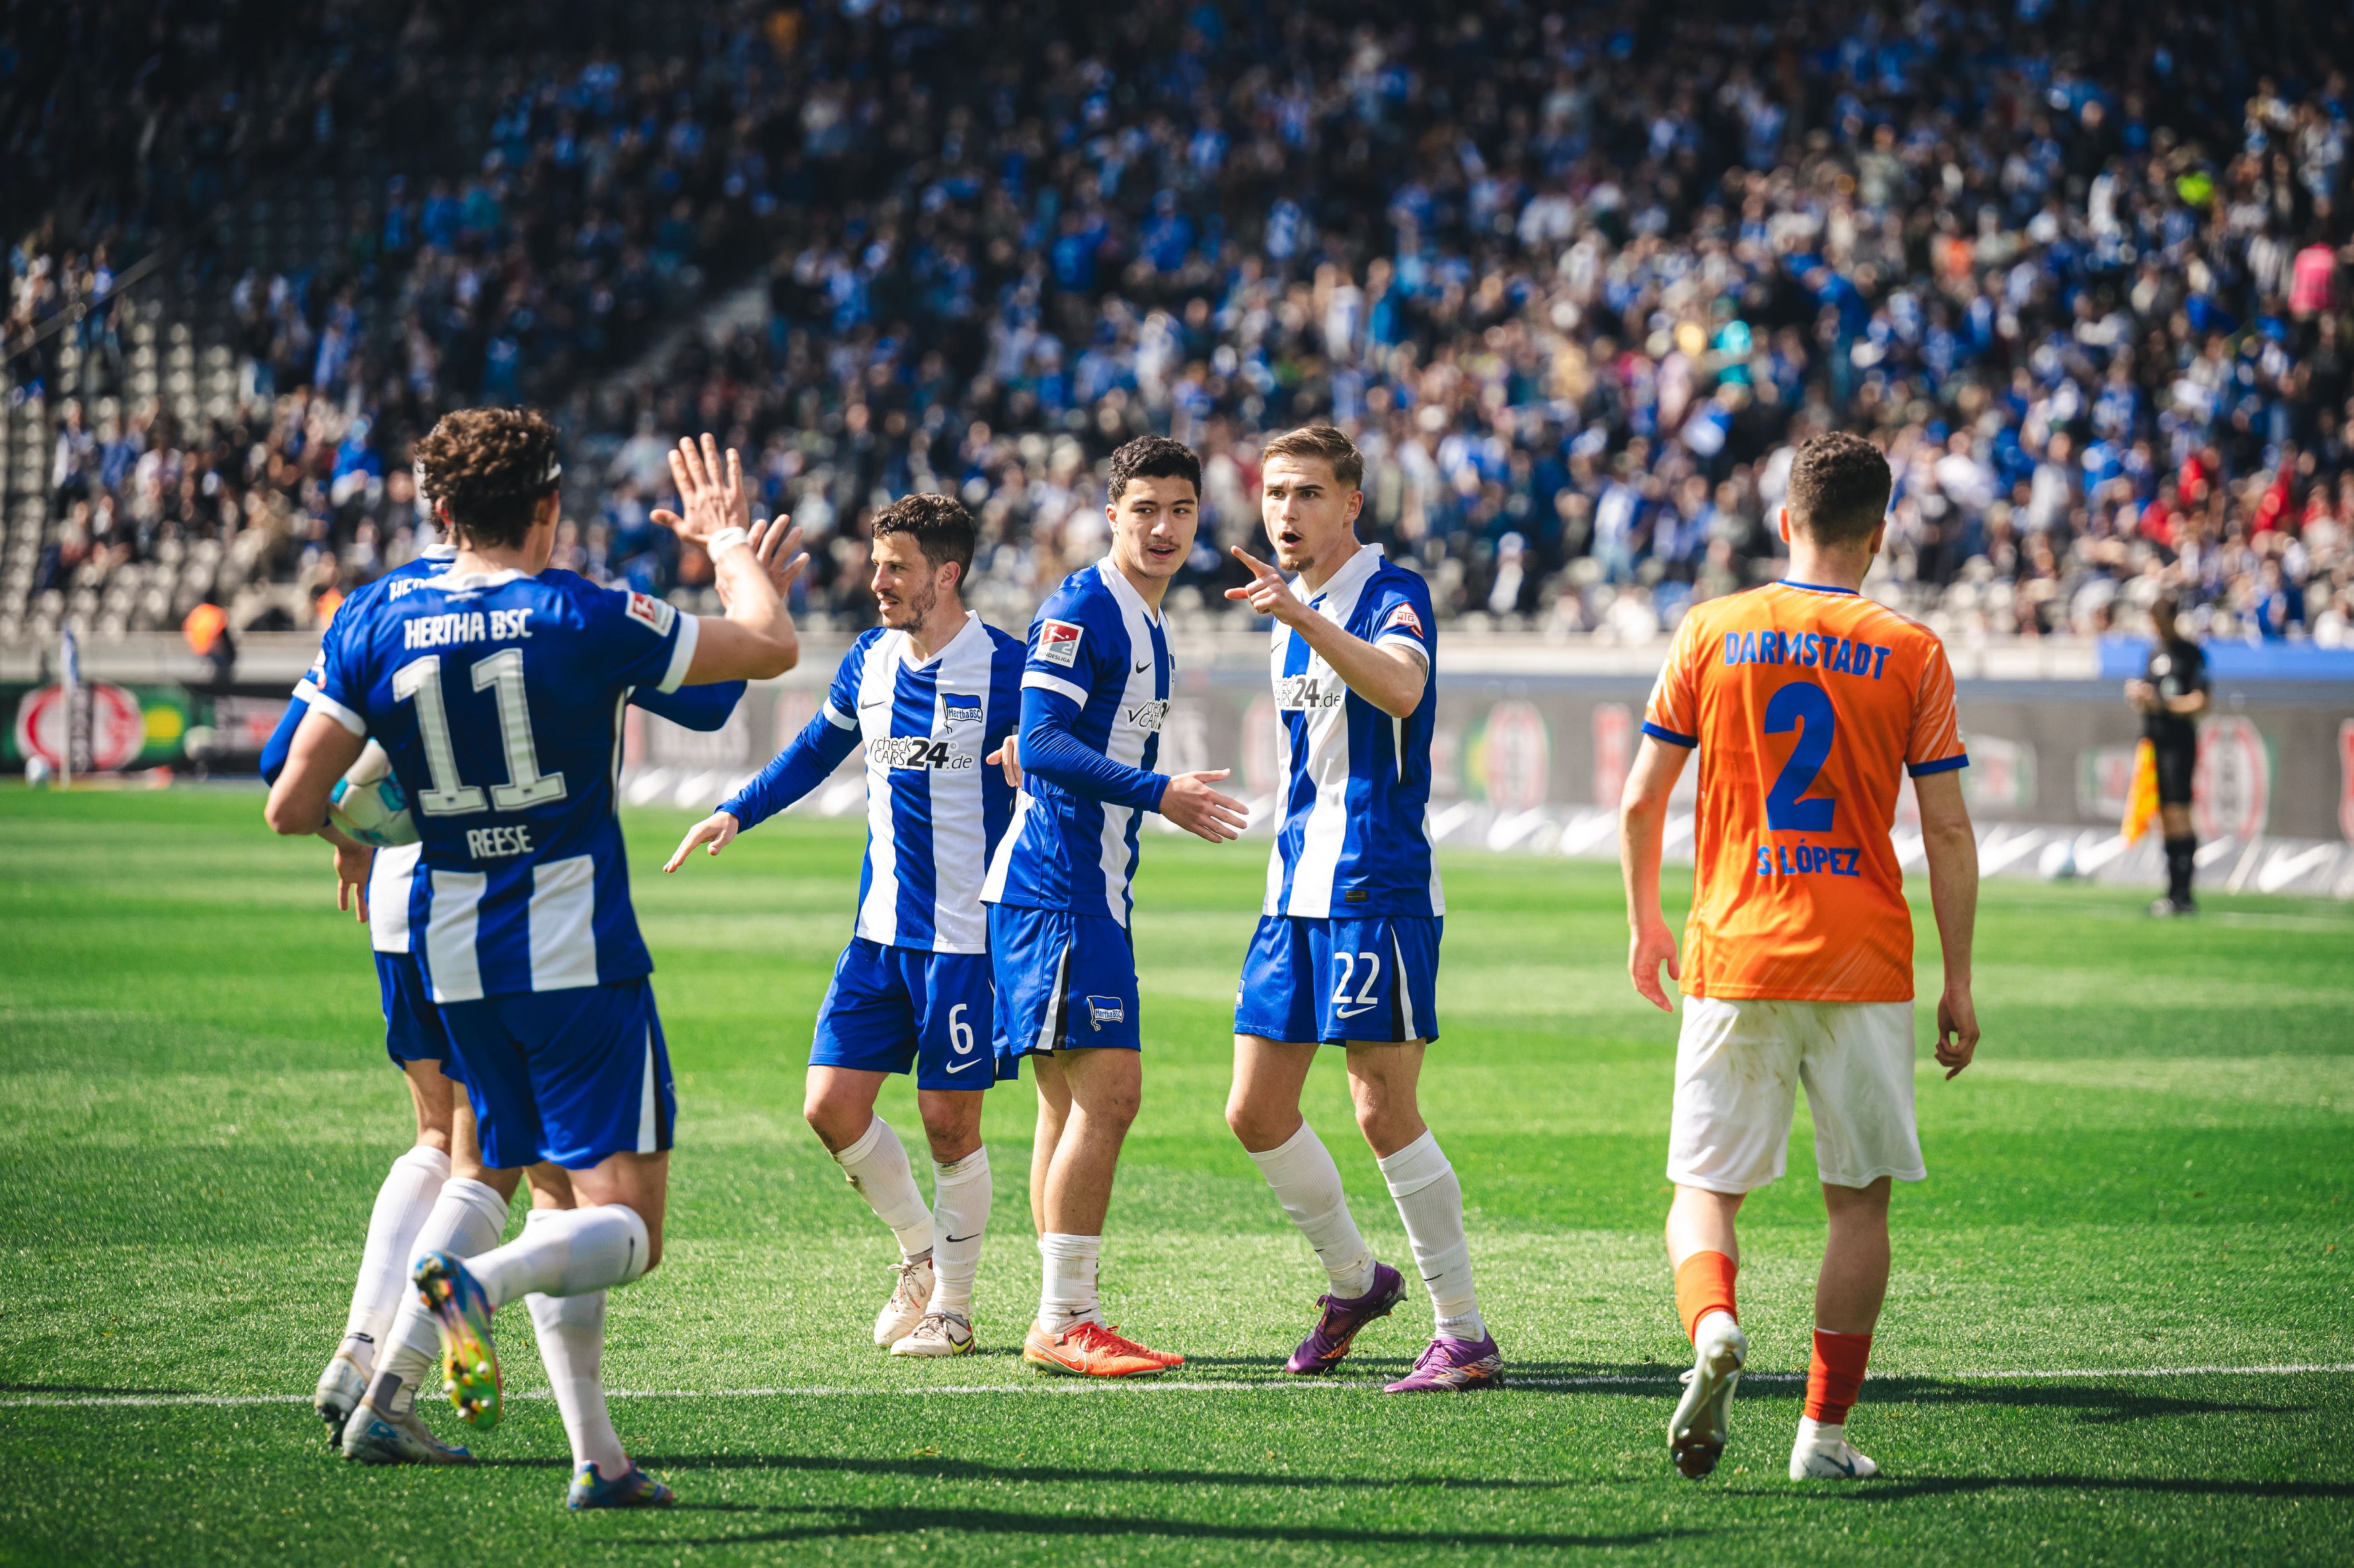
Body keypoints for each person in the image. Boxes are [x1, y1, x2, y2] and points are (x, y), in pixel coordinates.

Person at [266, 411, 806, 1509]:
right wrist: (732, 549)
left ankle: (595, 1458)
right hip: (574, 946)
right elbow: (770, 646)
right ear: (552, 506)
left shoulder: (373, 614)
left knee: (548, 1195)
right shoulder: (582, 612)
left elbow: (289, 801)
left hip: (453, 949)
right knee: (629, 1231)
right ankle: (473, 1279)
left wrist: (361, 827)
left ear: (440, 510)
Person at [1618, 431, 1981, 1483]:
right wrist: (1958, 978)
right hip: (1865, 961)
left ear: (1786, 522)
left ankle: (1716, 1328)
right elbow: (1949, 832)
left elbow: (1643, 798)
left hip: (1736, 950)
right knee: (1858, 1202)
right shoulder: (1913, 651)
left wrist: (1647, 923)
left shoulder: (1711, 629)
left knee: (1705, 1189)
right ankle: (1821, 1435)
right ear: (1879, 536)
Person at [664, 494, 1024, 1358]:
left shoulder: (1009, 670)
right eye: (875, 564)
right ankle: (919, 1256)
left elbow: (1065, 762)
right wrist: (735, 811)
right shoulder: (867, 659)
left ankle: (957, 1309)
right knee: (829, 1105)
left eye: (894, 567)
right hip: (878, 934)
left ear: (946, 573)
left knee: (948, 1123)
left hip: (966, 943)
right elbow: (815, 753)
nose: (875, 582)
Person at [1219, 425, 1500, 1392]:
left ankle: (1462, 1332)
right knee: (1255, 1112)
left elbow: (1401, 686)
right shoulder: (1289, 605)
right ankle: (1355, 1281)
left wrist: (1301, 618)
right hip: (1291, 887)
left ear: (1352, 507)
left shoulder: (1391, 593)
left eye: (1305, 494)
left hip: (1375, 884)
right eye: (1274, 494)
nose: (1284, 511)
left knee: (1382, 1110)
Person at [981, 434, 1248, 1377]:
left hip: (1081, 893)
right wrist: (1158, 793)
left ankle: (1060, 1314)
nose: (1165, 526)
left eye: (1181, 509)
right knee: (1111, 1097)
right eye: (1146, 509)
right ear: (1111, 516)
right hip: (1058, 891)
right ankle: (1065, 1318)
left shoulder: (1144, 618)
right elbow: (1043, 739)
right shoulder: (1086, 606)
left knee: (1067, 1106)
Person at [2125, 594, 2210, 916]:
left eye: (2160, 618)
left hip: (2179, 742)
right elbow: (2151, 693)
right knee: (2163, 816)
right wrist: (2140, 697)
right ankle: (2173, 892)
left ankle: (2184, 893)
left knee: (2178, 813)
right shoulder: (2154, 653)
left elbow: (2201, 703)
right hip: (2154, 742)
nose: (2155, 625)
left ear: (2173, 617)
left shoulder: (2190, 654)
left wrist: (2162, 704)